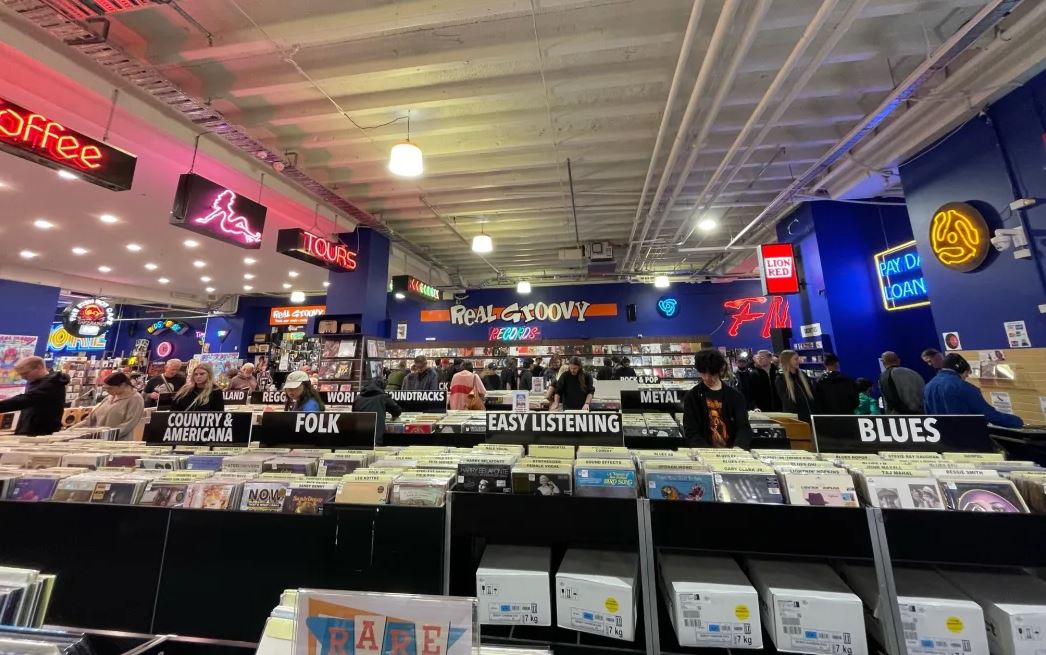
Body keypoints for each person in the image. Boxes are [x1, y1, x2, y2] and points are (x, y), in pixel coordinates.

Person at [925, 354, 1024, 428]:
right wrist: (1017, 421)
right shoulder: (963, 388)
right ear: (961, 369)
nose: (967, 376)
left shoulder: (928, 387)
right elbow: (989, 415)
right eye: (967, 373)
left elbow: (929, 415)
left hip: (944, 439)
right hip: (968, 439)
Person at [682, 348, 753, 448]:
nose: (707, 378)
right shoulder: (692, 396)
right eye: (703, 373)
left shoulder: (735, 396)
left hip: (733, 455)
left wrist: (738, 449)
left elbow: (744, 428)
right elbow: (691, 431)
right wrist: (707, 453)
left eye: (711, 374)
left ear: (719, 370)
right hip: (704, 454)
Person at [0, 356, 69, 436]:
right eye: (21, 374)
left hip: (42, 433)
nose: (23, 377)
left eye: (25, 373)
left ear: (39, 367)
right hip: (30, 431)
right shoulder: (37, 381)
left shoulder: (52, 383)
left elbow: (25, 400)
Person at [72, 372, 144, 440]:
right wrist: (72, 429)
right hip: (98, 440)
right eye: (105, 388)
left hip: (117, 443)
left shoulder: (135, 399)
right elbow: (91, 419)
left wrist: (102, 436)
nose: (107, 391)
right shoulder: (110, 397)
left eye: (110, 388)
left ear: (122, 385)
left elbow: (127, 426)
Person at [353, 378, 402, 442]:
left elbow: (353, 415)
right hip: (375, 439)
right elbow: (397, 411)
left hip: (358, 438)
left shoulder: (357, 398)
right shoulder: (383, 397)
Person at [774, 350, 816, 422]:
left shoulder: (803, 375)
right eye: (795, 359)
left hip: (811, 417)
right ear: (787, 361)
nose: (798, 361)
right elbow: (787, 402)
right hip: (796, 419)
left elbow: (812, 395)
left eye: (798, 358)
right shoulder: (781, 379)